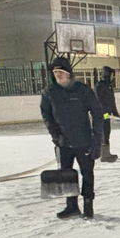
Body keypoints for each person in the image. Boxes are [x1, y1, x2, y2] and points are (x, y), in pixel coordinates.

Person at [40, 56, 104, 219]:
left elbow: (97, 113)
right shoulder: (49, 92)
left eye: (60, 72)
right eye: (55, 72)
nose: (57, 75)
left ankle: (88, 205)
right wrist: (55, 136)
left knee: (87, 174)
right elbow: (47, 116)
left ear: (68, 73)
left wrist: (96, 139)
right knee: (66, 175)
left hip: (84, 141)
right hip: (64, 142)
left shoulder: (82, 90)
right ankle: (71, 206)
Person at [94, 65, 120, 163]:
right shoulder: (99, 86)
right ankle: (104, 155)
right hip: (101, 115)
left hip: (107, 115)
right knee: (103, 134)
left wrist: (116, 114)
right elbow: (99, 101)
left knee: (107, 132)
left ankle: (106, 153)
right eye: (112, 75)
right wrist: (104, 113)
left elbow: (112, 102)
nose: (113, 77)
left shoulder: (109, 87)